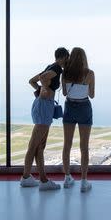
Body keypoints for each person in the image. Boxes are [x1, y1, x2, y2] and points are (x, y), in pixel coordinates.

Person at [21, 47, 69, 191]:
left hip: (42, 104)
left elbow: (32, 81)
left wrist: (41, 90)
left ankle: (43, 180)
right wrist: (45, 91)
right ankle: (25, 177)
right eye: (67, 58)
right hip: (44, 106)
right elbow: (42, 79)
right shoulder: (57, 69)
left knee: (40, 146)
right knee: (33, 145)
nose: (68, 61)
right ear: (63, 57)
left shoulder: (50, 66)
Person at [61, 47, 95, 192]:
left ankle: (67, 178)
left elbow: (63, 93)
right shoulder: (89, 73)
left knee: (67, 144)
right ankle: (84, 181)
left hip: (69, 106)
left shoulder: (65, 73)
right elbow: (92, 95)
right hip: (84, 108)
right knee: (84, 146)